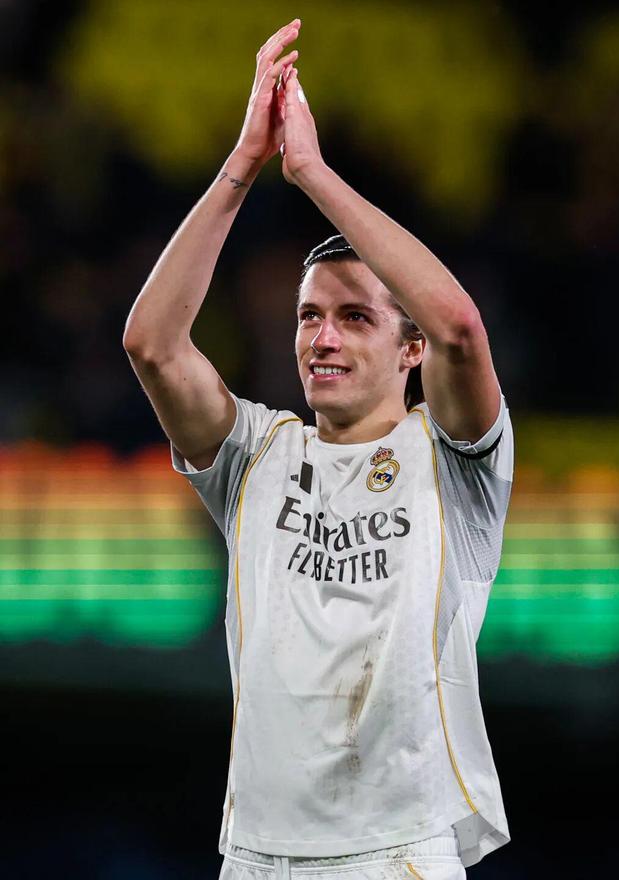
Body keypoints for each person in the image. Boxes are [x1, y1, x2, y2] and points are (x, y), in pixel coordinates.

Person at [123, 18, 513, 880]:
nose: (322, 338)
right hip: (255, 855)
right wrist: (243, 165)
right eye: (309, 316)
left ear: (410, 350)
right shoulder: (254, 454)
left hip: (397, 853)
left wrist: (311, 174)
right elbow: (152, 344)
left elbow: (459, 325)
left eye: (355, 316)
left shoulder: (457, 460)